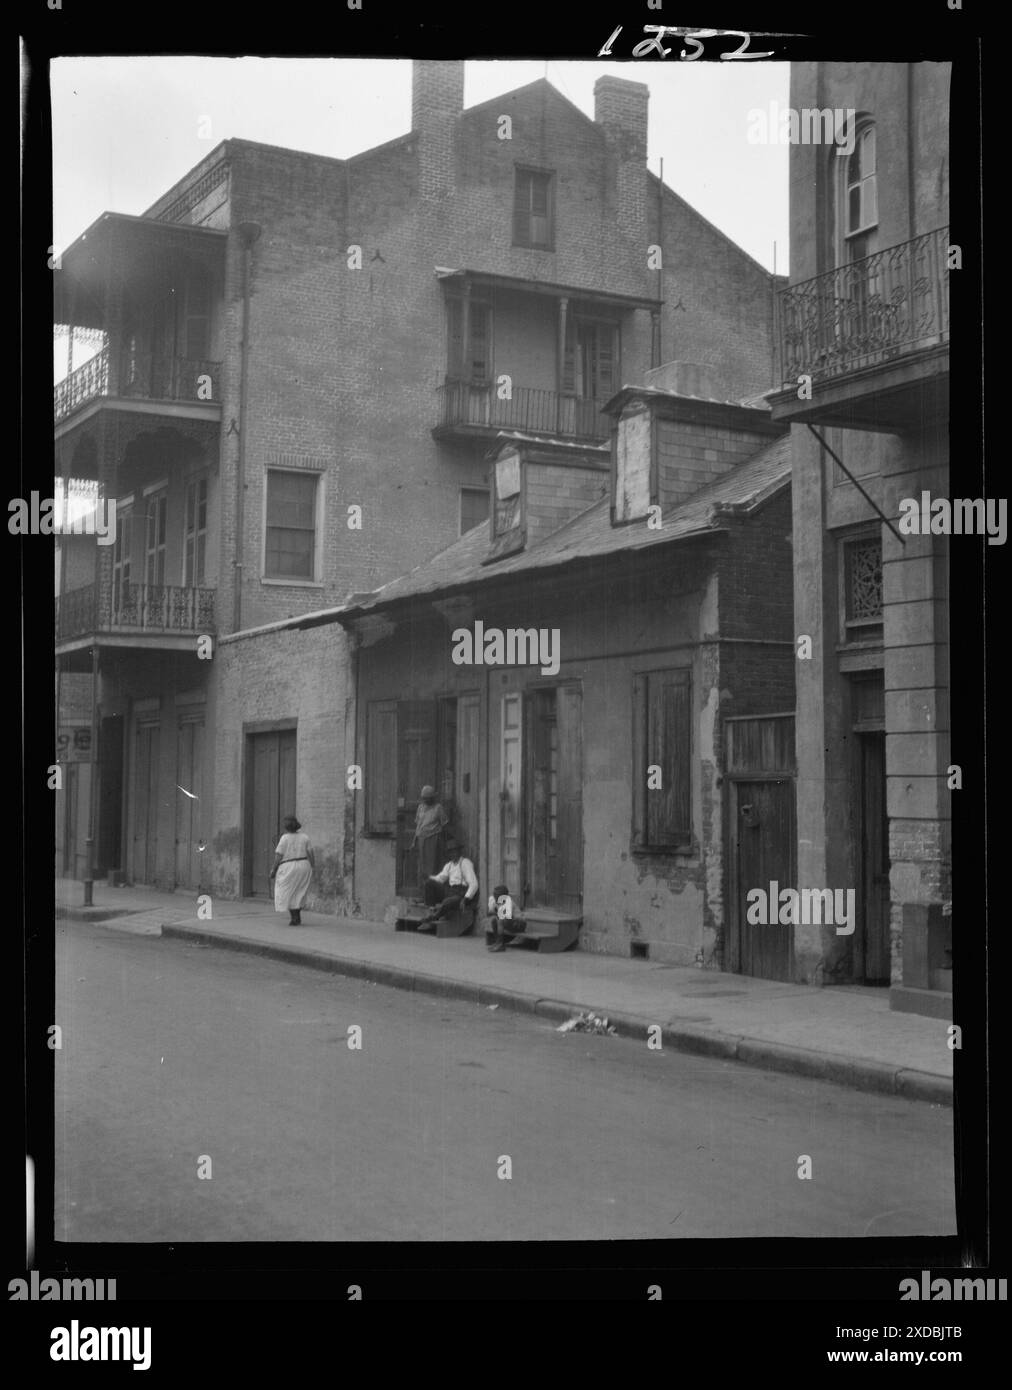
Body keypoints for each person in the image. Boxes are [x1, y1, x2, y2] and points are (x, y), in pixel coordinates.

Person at [421, 840, 478, 931]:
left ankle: (434, 917)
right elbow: (440, 878)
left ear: (459, 852)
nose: (453, 854)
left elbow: (474, 884)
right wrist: (429, 877)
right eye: (450, 852)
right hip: (450, 891)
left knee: (447, 902)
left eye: (454, 851)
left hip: (461, 893)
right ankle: (431, 911)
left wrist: (466, 898)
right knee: (429, 884)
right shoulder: (449, 865)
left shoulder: (465, 863)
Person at [269, 815, 314, 925]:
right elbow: (311, 853)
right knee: (299, 891)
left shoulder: (284, 838)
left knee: (286, 891)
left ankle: (294, 917)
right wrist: (312, 866)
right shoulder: (305, 837)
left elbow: (278, 855)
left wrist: (273, 869)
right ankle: (296, 915)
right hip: (304, 865)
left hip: (288, 866)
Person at [411, 785, 448, 895]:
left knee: (431, 868)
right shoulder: (420, 808)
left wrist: (443, 842)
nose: (425, 800)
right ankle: (422, 893)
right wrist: (414, 841)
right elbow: (418, 826)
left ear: (432, 797)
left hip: (433, 839)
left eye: (428, 798)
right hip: (421, 839)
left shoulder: (438, 808)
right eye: (424, 798)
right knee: (421, 868)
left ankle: (430, 895)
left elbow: (445, 824)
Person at [485, 884, 526, 953]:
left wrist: (496, 912)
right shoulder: (496, 901)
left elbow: (506, 916)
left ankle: (500, 945)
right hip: (510, 922)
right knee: (494, 921)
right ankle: (497, 942)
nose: (495, 897)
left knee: (500, 921)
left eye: (497, 896)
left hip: (520, 924)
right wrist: (493, 910)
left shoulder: (509, 902)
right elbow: (489, 913)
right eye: (495, 895)